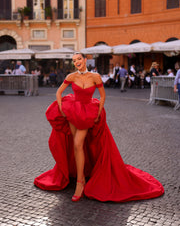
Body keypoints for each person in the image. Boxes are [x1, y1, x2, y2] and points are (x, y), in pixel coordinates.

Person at [34, 52, 164, 202]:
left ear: (85, 60)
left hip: (87, 112)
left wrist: (99, 111)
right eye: (74, 60)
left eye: (79, 59)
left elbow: (102, 96)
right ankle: (80, 177)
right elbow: (58, 92)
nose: (77, 62)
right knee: (76, 145)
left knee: (78, 144)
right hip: (72, 111)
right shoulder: (71, 76)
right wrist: (61, 108)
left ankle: (80, 183)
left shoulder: (95, 77)